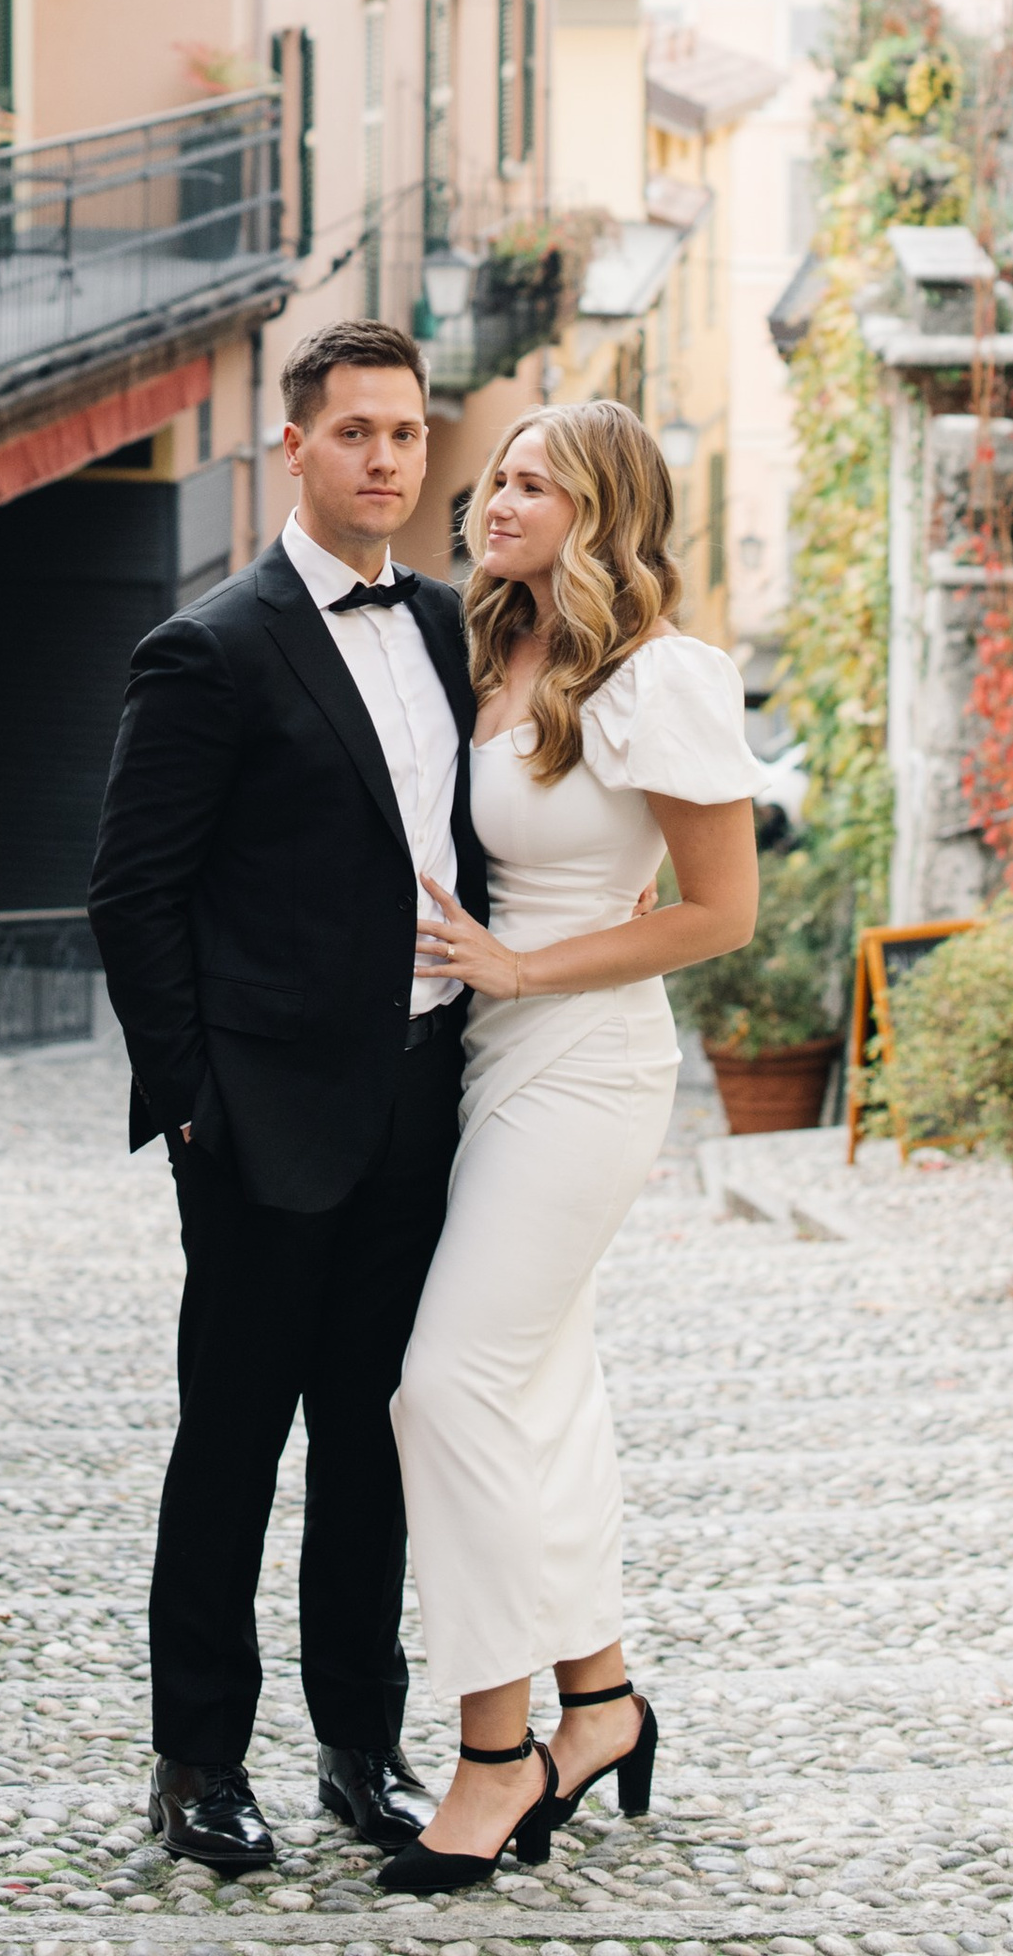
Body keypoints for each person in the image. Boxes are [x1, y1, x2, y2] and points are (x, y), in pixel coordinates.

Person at [87, 319, 483, 1878]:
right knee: (235, 1444)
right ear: (296, 446)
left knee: (378, 1443)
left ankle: (360, 1746)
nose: (386, 458)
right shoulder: (213, 645)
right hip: (261, 1122)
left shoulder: (453, 627)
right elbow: (133, 892)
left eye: (406, 433)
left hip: (429, 1097)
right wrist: (194, 1102)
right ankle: (198, 1765)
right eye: (356, 433)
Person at [374, 395, 760, 1896]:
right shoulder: (486, 648)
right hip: (485, 1057)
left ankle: (496, 1750)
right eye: (498, 479)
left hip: (586, 1064)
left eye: (535, 482)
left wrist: (524, 970)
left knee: (447, 1382)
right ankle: (600, 1701)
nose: (496, 500)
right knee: (535, 1392)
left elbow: (721, 914)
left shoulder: (659, 678)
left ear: (600, 509)